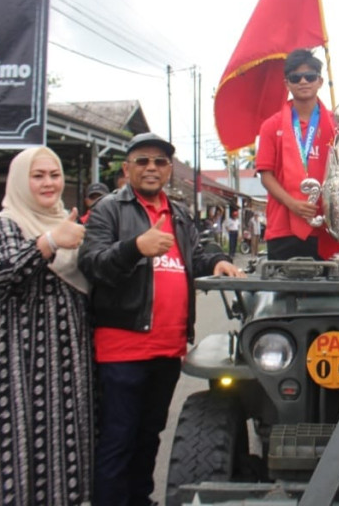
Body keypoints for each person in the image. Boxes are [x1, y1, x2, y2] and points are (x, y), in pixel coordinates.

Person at [79, 132, 244, 506]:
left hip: (168, 349)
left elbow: (201, 249)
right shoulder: (109, 209)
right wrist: (135, 247)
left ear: (169, 169)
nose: (151, 168)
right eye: (142, 161)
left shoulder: (180, 213)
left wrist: (217, 261)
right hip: (122, 347)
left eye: (159, 162)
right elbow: (92, 264)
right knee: (118, 437)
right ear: (127, 169)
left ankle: (140, 499)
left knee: (150, 433)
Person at [0, 147, 94, 505]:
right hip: (15, 361)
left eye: (54, 174)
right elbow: (0, 273)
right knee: (16, 443)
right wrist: (49, 243)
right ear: (22, 181)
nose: (48, 182)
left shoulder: (70, 224)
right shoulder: (5, 224)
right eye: (38, 176)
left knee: (64, 442)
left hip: (66, 362)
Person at [255, 49, 339, 261]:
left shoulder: (337, 125)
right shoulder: (271, 126)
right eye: (296, 77)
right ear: (287, 84)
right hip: (284, 228)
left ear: (320, 81)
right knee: (286, 294)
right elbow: (266, 176)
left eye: (310, 76)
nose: (303, 81)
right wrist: (293, 204)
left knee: (330, 294)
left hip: (327, 227)